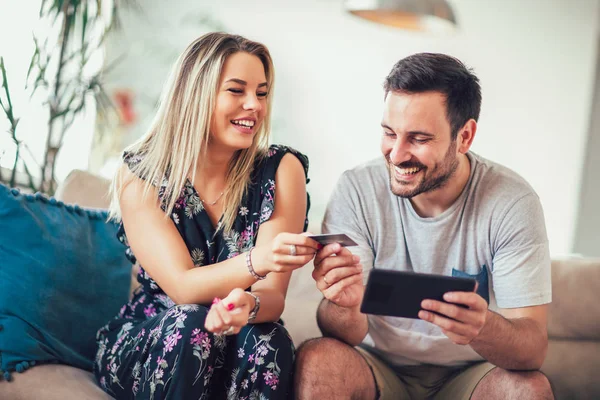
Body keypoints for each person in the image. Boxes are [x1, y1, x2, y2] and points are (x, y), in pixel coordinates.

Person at [294, 53, 554, 400]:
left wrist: (482, 327)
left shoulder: (511, 202)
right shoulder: (357, 188)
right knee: (318, 359)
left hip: (471, 374)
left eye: (418, 138)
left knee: (529, 389)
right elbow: (340, 334)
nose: (397, 154)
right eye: (389, 133)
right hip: (376, 365)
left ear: (464, 137)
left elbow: (531, 350)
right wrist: (346, 304)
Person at [94, 32, 319, 399]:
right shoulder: (141, 175)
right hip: (159, 334)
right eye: (236, 90)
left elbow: (272, 295)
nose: (255, 105)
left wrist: (250, 305)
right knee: (191, 323)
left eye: (261, 93)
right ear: (196, 95)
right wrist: (258, 260)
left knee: (270, 339)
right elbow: (183, 287)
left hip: (235, 334)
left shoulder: (281, 170)